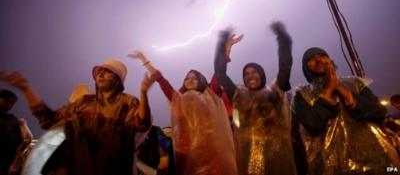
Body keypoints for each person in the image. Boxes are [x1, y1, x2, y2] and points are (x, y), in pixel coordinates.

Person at [0, 59, 153, 175]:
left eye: (107, 71)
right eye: (99, 71)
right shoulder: (83, 103)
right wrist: (27, 89)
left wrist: (144, 94)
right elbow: (49, 120)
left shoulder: (128, 102)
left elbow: (141, 123)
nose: (100, 74)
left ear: (118, 79)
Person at [294, 47, 400, 175]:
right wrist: (328, 91)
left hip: (378, 159)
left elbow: (378, 111)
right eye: (311, 58)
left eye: (322, 55)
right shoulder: (301, 94)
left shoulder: (355, 83)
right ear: (305, 67)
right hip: (333, 167)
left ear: (330, 60)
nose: (318, 59)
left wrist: (340, 88)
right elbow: (313, 124)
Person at [130, 51, 238, 175]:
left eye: (194, 78)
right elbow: (161, 79)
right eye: (187, 78)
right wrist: (144, 60)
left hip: (211, 151)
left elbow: (218, 72)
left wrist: (227, 49)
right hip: (185, 153)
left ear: (201, 81)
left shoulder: (210, 94)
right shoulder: (178, 100)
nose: (190, 80)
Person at [214, 22, 296, 175]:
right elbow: (220, 74)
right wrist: (222, 45)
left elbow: (285, 67)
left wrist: (283, 39)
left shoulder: (274, 93)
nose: (250, 75)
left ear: (262, 75)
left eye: (254, 72)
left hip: (279, 162)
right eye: (246, 74)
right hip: (249, 164)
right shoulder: (238, 96)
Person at [0, 89, 23, 175]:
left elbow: (18, 141)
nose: (9, 105)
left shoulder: (11, 119)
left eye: (12, 103)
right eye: (6, 101)